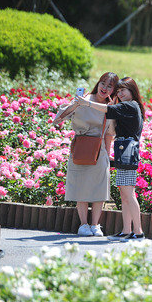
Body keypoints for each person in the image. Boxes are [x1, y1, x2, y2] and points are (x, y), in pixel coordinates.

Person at [76, 77, 146, 241]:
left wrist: (87, 103)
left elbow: (108, 110)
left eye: (123, 90)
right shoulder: (130, 106)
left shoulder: (130, 105)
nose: (120, 93)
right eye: (118, 91)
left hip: (128, 151)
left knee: (129, 193)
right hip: (126, 151)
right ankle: (127, 230)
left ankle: (138, 231)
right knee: (125, 194)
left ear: (132, 91)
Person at [53, 72, 118, 236]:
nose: (105, 88)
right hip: (81, 146)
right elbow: (57, 119)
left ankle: (95, 225)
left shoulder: (109, 107)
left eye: (110, 86)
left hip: (100, 149)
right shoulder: (84, 99)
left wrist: (108, 155)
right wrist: (76, 104)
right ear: (98, 83)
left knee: (100, 188)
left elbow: (110, 134)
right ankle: (83, 225)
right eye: (103, 83)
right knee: (80, 185)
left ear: (114, 89)